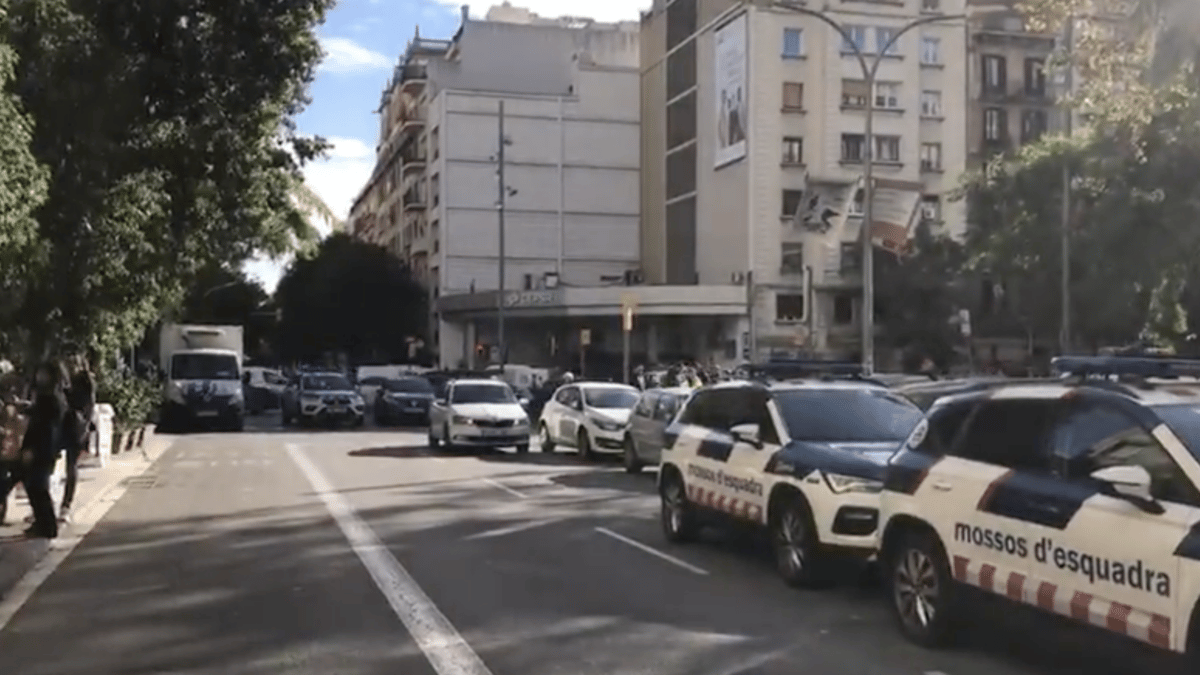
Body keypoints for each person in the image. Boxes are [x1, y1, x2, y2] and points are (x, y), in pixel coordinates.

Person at [9, 360, 67, 538]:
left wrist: (32, 449)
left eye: (44, 374)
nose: (40, 377)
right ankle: (42, 524)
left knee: (38, 488)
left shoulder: (53, 398)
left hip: (42, 448)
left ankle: (48, 526)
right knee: (34, 487)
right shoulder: (46, 396)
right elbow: (38, 414)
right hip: (40, 447)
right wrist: (26, 407)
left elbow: (45, 427)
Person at [60, 355, 95, 523]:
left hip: (74, 428)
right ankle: (52, 506)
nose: (70, 365)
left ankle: (66, 505)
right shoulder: (67, 380)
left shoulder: (84, 382)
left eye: (74, 362)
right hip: (65, 426)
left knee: (71, 465)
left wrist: (85, 429)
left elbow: (87, 408)